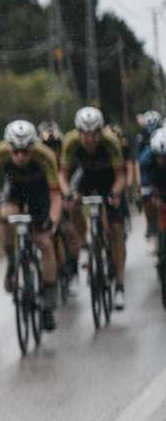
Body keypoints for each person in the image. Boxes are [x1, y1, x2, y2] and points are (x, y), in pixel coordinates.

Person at [0, 120, 62, 331]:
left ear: (33, 148)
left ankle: (47, 299)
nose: (20, 156)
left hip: (39, 191)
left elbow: (55, 196)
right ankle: (12, 259)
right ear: (9, 147)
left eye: (25, 151)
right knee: (7, 216)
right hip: (14, 189)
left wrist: (52, 220)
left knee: (44, 243)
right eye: (16, 151)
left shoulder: (45, 155)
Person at [61, 106, 127, 309]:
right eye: (85, 134)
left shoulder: (110, 142)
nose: (89, 139)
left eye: (94, 134)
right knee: (72, 205)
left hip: (108, 179)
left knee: (116, 230)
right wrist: (69, 193)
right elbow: (62, 175)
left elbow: (120, 176)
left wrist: (115, 192)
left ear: (100, 132)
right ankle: (84, 244)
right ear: (79, 132)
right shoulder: (71, 142)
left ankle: (119, 286)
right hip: (85, 178)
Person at [136, 110, 164, 240]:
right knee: (148, 199)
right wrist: (140, 185)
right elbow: (140, 165)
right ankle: (152, 225)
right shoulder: (144, 144)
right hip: (152, 178)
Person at [139, 127, 166, 255]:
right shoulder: (146, 160)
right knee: (151, 204)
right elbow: (145, 182)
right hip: (157, 187)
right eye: (159, 157)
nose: (162, 160)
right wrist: (151, 195)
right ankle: (154, 231)